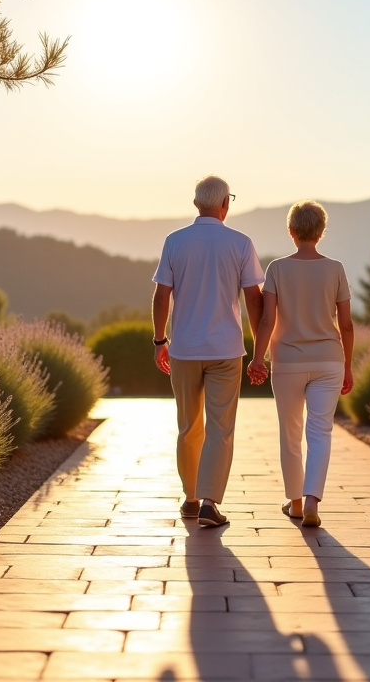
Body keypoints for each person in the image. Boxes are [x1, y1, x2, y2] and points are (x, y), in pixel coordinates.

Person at [152, 176, 265, 527]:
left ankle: (190, 498)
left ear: (197, 203)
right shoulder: (241, 244)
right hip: (226, 350)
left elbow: (161, 296)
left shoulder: (175, 241)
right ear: (225, 205)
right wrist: (259, 352)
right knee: (221, 428)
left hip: (184, 348)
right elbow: (254, 300)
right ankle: (210, 504)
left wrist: (160, 341)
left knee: (188, 427)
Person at [247, 201, 354, 528]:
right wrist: (348, 366)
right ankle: (311, 500)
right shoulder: (335, 268)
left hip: (288, 362)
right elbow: (346, 325)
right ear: (321, 233)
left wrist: (257, 358)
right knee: (320, 431)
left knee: (290, 433)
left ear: (291, 232)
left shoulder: (277, 269)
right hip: (329, 361)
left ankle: (294, 502)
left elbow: (267, 319)